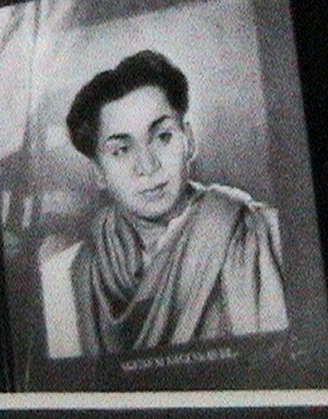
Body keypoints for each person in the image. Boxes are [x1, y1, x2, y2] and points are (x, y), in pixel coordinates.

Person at [39, 51, 288, 359]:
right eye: (121, 150)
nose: (147, 166)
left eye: (162, 137)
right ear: (99, 173)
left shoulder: (266, 234)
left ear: (189, 140)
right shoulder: (65, 276)